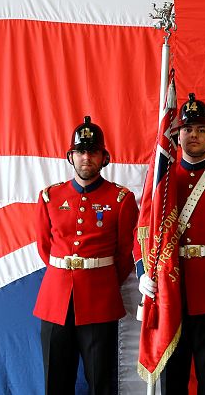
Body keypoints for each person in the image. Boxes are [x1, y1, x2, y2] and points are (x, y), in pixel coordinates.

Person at [136, 93, 205, 395]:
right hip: (170, 290)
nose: (194, 135)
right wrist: (143, 272)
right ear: (177, 135)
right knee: (172, 381)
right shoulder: (162, 177)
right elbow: (144, 228)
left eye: (201, 129)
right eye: (187, 129)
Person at [34, 116, 138, 395]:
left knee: (100, 381)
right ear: (71, 156)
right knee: (55, 381)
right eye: (80, 151)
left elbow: (126, 253)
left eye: (93, 152)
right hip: (55, 300)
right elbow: (44, 247)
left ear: (104, 157)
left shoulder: (121, 199)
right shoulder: (50, 197)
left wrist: (100, 279)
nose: (86, 157)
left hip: (99, 300)